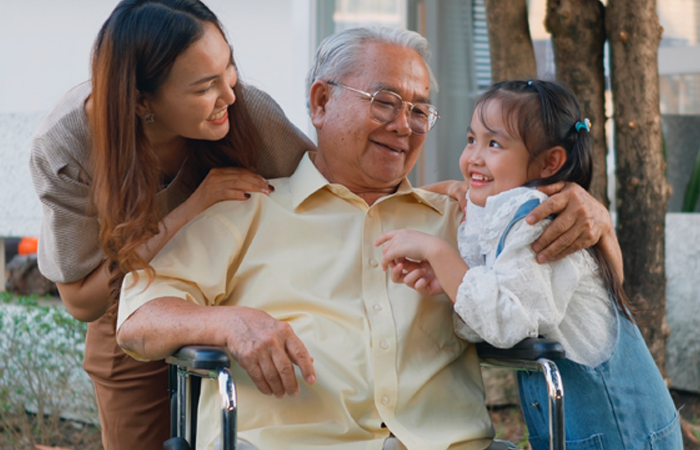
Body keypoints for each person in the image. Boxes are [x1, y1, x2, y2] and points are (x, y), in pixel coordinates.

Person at [116, 28, 623, 450]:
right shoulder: (246, 208)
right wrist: (230, 322)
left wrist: (595, 217)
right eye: (385, 102)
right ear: (320, 101)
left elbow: (587, 293)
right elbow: (138, 321)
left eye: (420, 111)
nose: (404, 126)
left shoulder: (466, 222)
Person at [28, 1, 316, 449]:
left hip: (242, 297)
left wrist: (445, 197)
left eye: (230, 70)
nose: (231, 95)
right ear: (142, 100)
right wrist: (192, 208)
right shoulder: (68, 148)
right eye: (205, 86)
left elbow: (332, 188)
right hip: (130, 313)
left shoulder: (246, 112)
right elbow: (82, 301)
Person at [376, 80, 682, 449]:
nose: (473, 157)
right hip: (587, 432)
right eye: (471, 139)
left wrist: (439, 254)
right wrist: (448, 278)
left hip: (624, 434)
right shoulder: (505, 215)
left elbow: (506, 323)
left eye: (494, 144)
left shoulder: (538, 223)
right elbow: (490, 316)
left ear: (549, 162)